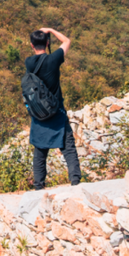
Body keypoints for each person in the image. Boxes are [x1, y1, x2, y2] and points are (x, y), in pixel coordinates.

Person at [24, 27, 81, 191]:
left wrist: (43, 34)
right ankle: (75, 182)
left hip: (39, 113)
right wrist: (50, 30)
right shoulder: (54, 59)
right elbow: (67, 41)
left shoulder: (29, 62)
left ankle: (39, 185)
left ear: (31, 45)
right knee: (68, 147)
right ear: (48, 43)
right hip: (57, 111)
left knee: (40, 151)